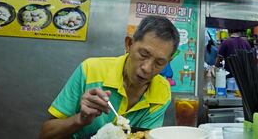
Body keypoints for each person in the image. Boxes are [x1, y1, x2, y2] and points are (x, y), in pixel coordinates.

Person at [39, 15, 180, 138]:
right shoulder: (90, 70)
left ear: (168, 62)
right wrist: (80, 120)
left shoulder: (162, 90)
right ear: (129, 44)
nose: (147, 68)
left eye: (159, 62)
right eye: (143, 54)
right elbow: (45, 134)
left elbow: (144, 136)